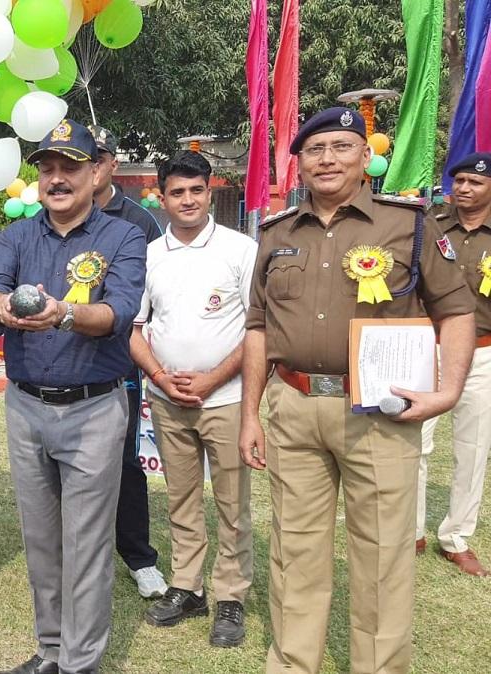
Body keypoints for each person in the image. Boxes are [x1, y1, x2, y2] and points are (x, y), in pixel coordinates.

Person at [240, 107, 476, 674]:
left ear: (365, 157)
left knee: (381, 557)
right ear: (299, 163)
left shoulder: (409, 224)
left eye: (341, 147)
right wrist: (250, 415)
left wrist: (447, 391)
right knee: (294, 550)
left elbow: (457, 311)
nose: (327, 159)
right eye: (314, 149)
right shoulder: (276, 232)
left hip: (379, 412)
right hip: (294, 406)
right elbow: (258, 328)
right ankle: (292, 663)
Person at [0, 119, 147, 674]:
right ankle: (50, 649)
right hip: (26, 407)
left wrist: (64, 314)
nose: (56, 178)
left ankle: (79, 662)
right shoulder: (18, 235)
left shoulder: (123, 237)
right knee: (42, 541)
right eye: (47, 168)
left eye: (69, 167)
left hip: (93, 408)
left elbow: (120, 311)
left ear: (95, 172)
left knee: (87, 544)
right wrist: (2, 308)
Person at [130, 152, 256, 647]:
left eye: (196, 190)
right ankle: (187, 586)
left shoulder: (240, 249)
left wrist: (210, 380)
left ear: (210, 191)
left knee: (231, 502)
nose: (188, 200)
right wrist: (161, 378)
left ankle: (231, 596)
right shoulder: (147, 255)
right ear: (162, 198)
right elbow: (134, 329)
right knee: (181, 498)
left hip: (226, 398)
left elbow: (259, 330)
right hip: (167, 399)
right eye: (177, 192)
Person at [88, 124, 168, 599]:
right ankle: (77, 553)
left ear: (113, 164)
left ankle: (138, 556)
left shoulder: (139, 221)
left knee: (124, 463)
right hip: (69, 362)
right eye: (84, 159)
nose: (91, 167)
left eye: (99, 159)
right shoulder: (55, 214)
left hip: (121, 363)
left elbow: (154, 295)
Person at [417, 151, 491, 576]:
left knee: (472, 447)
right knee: (415, 441)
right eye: (459, 181)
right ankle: (411, 529)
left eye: (475, 182)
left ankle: (457, 536)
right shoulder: (432, 225)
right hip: (429, 347)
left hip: (481, 352)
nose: (464, 188)